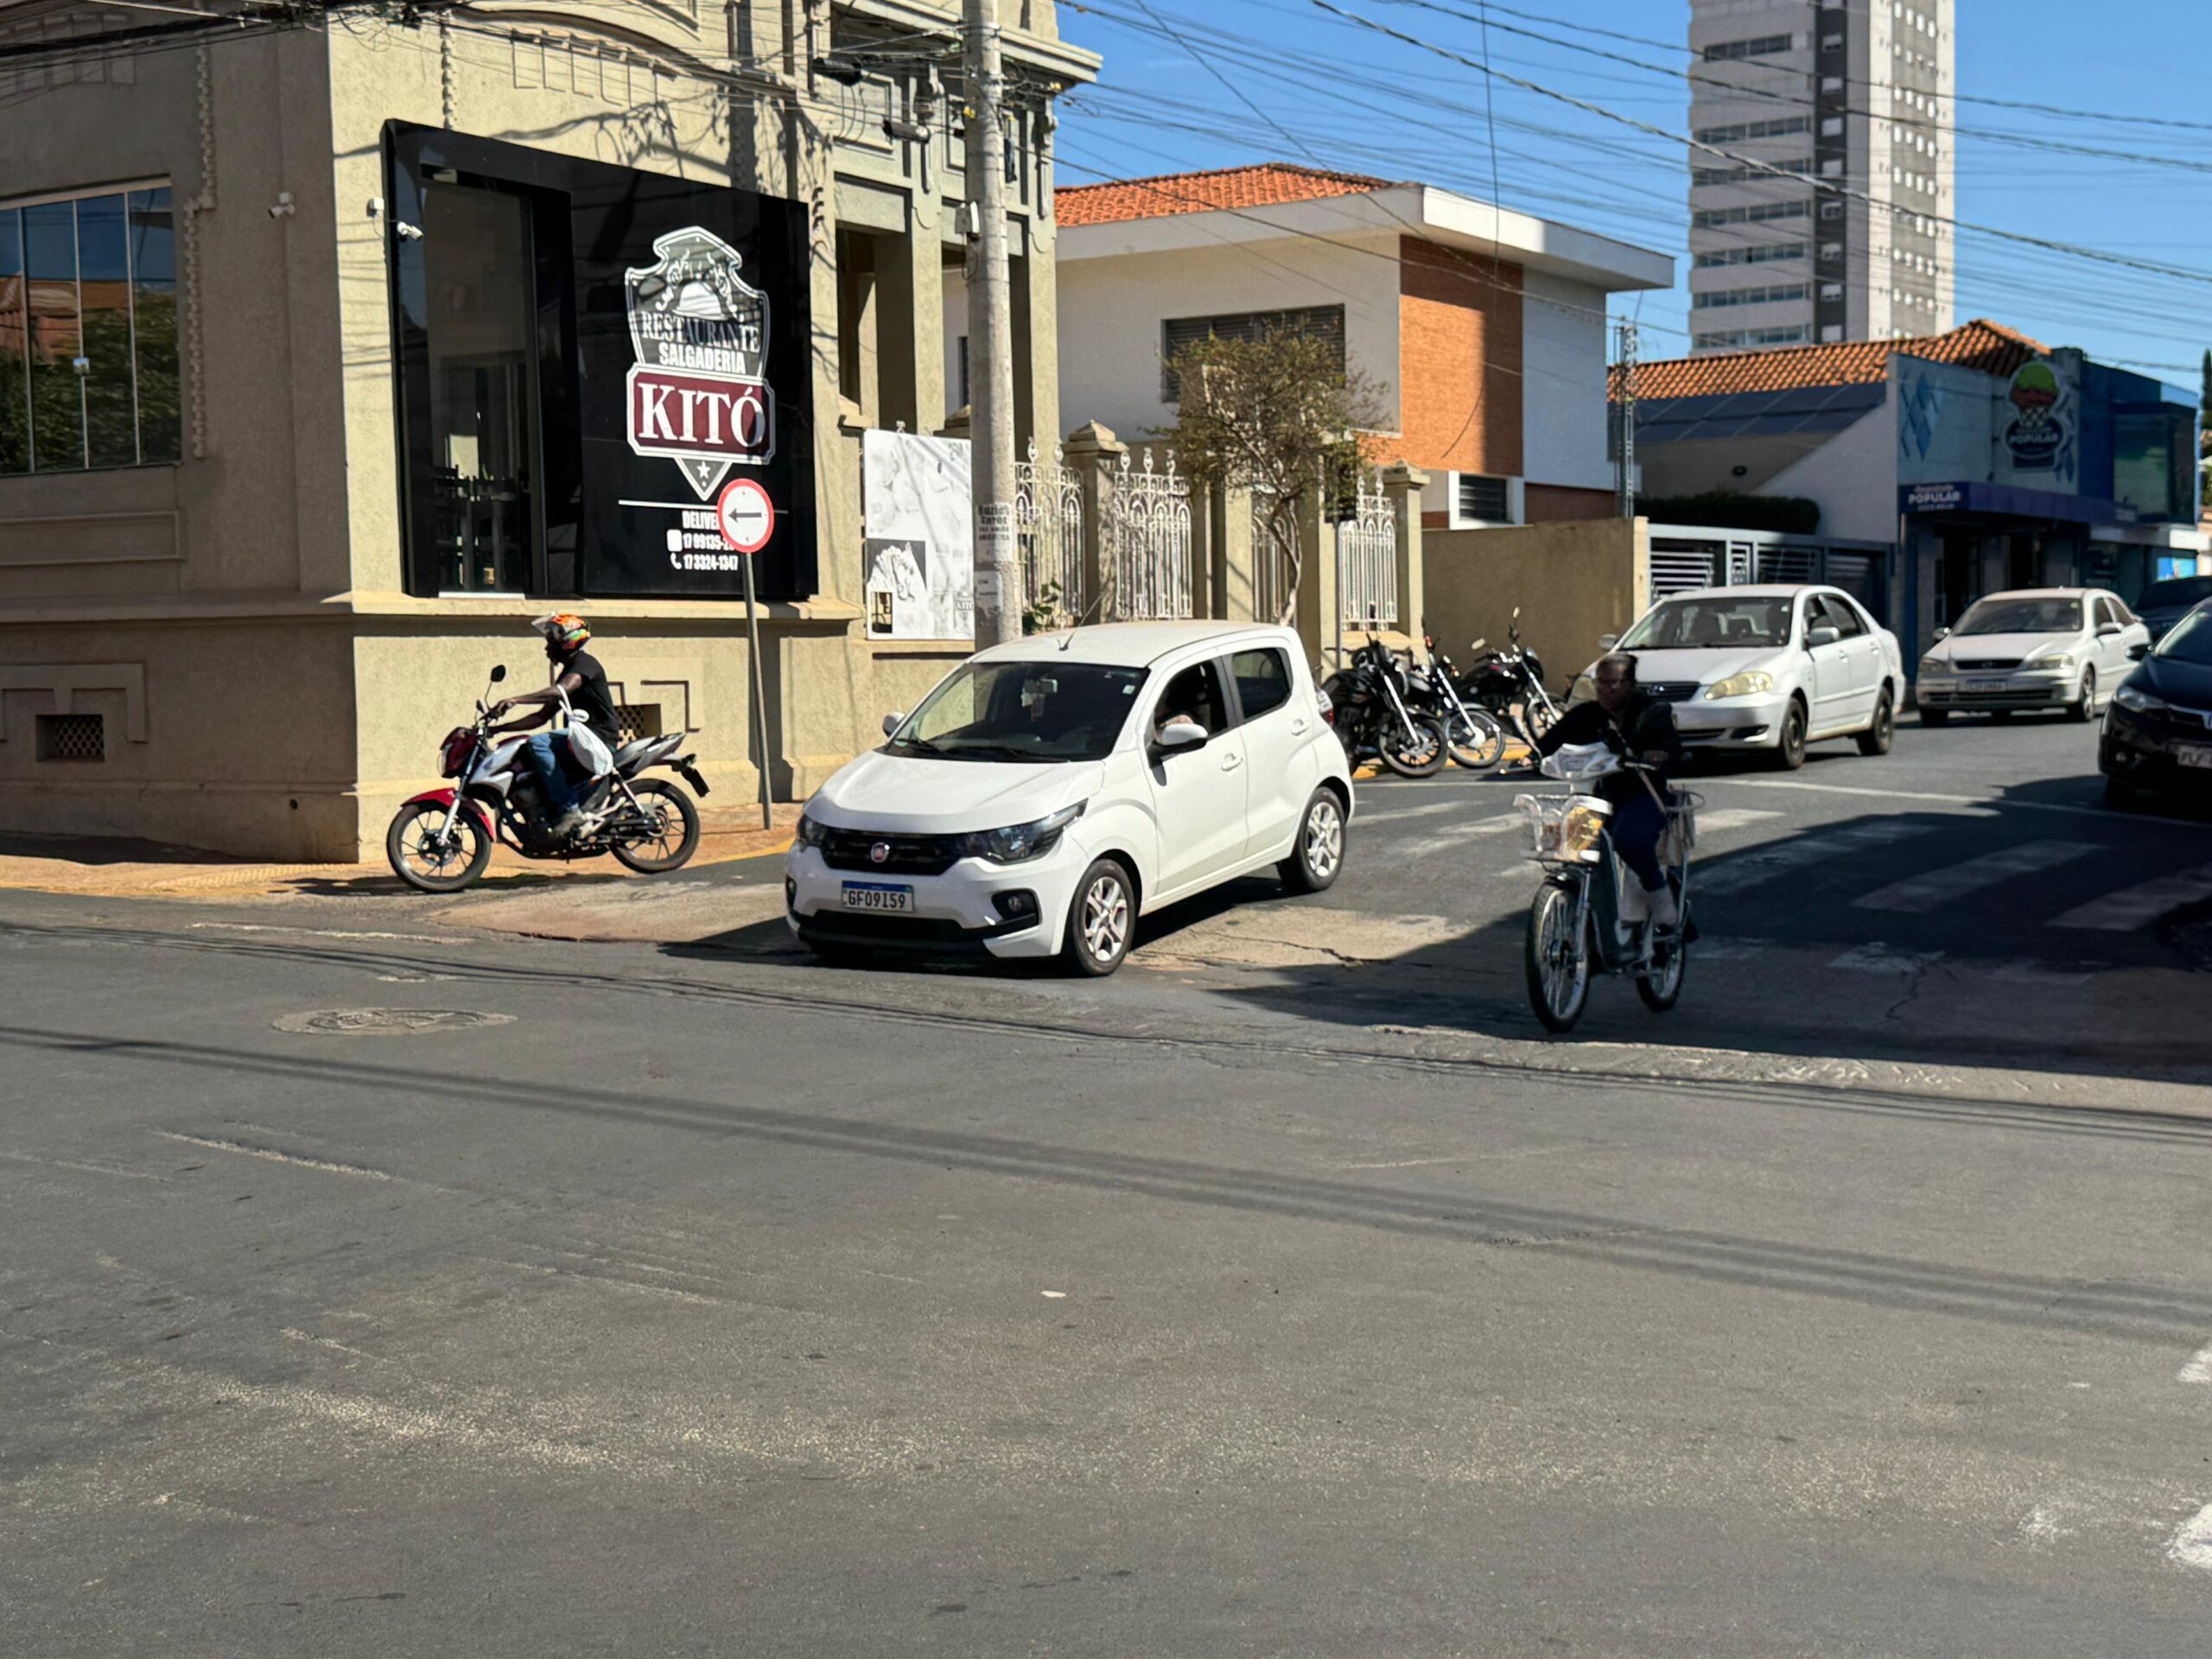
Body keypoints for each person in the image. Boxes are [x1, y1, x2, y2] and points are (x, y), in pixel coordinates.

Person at [1535, 652, 1684, 931]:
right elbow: (1549, 743)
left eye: (1612, 683)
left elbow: (1671, 748)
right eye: (1599, 683)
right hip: (1593, 797)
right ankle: (1585, 916)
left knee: (1630, 840)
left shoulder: (1652, 713)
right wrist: (1530, 757)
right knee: (1571, 849)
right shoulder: (1586, 714)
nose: (1605, 690)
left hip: (1640, 794)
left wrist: (1658, 755)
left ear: (1630, 684)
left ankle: (1659, 893)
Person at [487, 613, 623, 842]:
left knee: (538, 743)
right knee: (525, 749)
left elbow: (562, 690)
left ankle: (569, 809)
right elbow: (541, 717)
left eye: (551, 641)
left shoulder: (584, 664)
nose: (547, 648)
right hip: (580, 741)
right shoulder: (569, 671)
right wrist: (499, 729)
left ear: (567, 642)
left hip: (598, 737)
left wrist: (516, 699)